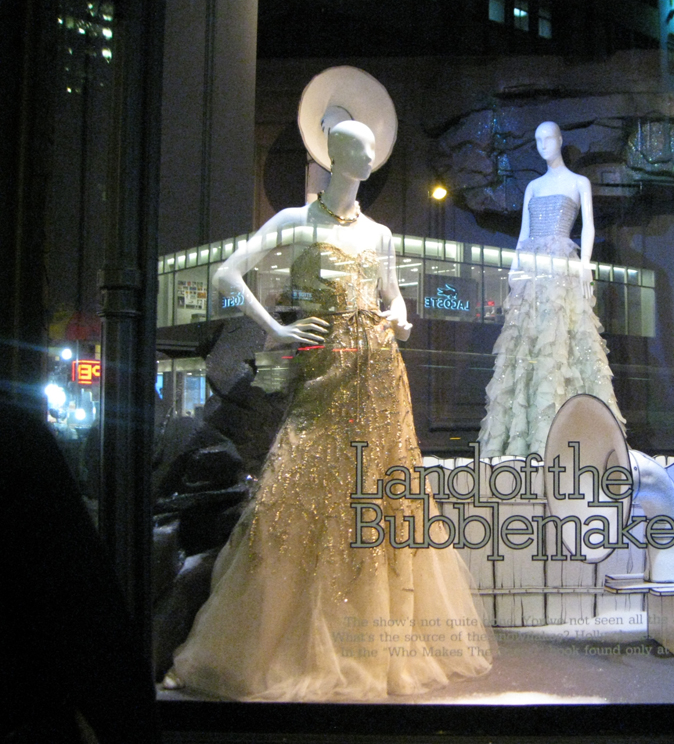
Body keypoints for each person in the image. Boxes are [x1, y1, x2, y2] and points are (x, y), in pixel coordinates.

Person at [163, 119, 493, 702]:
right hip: (325, 371)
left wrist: (401, 318)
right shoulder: (296, 221)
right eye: (358, 148)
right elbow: (225, 275)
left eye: (371, 149)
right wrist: (278, 328)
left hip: (382, 375)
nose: (368, 157)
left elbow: (395, 299)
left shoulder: (382, 233)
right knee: (300, 484)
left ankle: (369, 638)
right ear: (335, 156)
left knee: (382, 491)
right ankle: (283, 638)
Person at [478, 121, 625, 457]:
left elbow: (588, 227)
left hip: (560, 263)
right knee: (527, 341)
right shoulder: (533, 187)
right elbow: (523, 233)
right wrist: (515, 270)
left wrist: (585, 265)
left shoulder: (578, 182)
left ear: (560, 140)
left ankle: (568, 435)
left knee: (562, 340)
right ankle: (526, 437)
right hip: (532, 268)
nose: (543, 145)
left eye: (548, 138)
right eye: (538, 140)